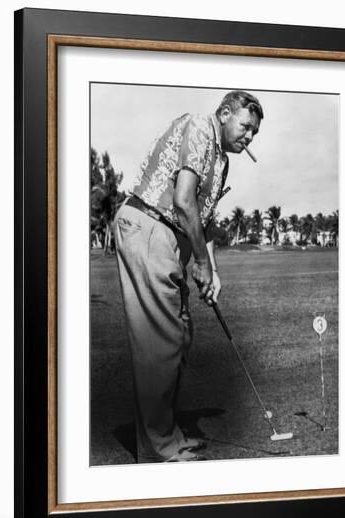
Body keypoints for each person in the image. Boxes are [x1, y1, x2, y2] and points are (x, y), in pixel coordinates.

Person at [113, 90, 263, 463]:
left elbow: (203, 218)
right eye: (245, 126)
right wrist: (201, 263)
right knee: (161, 342)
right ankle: (159, 447)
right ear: (224, 113)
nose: (248, 137)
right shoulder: (199, 126)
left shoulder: (221, 162)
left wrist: (212, 271)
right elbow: (182, 201)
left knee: (180, 336)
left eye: (254, 134)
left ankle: (166, 435)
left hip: (170, 238)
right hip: (148, 225)